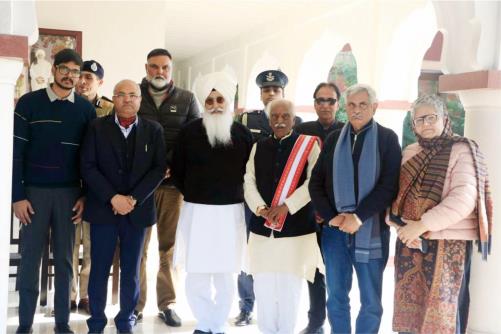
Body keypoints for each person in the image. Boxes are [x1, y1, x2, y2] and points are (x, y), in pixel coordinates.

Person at [389, 94, 493, 334]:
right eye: (419, 119)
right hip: (410, 242)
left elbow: (463, 199)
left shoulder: (462, 150)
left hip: (447, 244)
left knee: (442, 314)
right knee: (409, 311)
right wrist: (401, 228)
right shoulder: (410, 151)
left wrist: (421, 225)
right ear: (412, 125)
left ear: (445, 118)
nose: (425, 124)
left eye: (431, 118)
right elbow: (397, 196)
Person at [12, 48, 96, 334]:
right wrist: (17, 196)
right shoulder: (28, 103)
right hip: (33, 195)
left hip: (70, 195)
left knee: (65, 261)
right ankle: (24, 324)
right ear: (53, 70)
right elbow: (15, 154)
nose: (70, 76)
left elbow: (89, 158)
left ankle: (62, 323)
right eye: (65, 69)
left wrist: (85, 195)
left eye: (76, 72)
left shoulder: (85, 109)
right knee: (30, 259)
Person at [309, 84, 401, 334]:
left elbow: (388, 186)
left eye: (363, 105)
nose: (357, 110)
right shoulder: (333, 139)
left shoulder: (387, 139)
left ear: (374, 107)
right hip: (335, 232)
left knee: (371, 301)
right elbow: (315, 183)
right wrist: (332, 218)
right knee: (336, 297)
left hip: (371, 230)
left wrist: (358, 217)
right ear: (345, 107)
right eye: (351, 104)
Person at [81, 79, 166, 334]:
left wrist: (132, 199)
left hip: (137, 213)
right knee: (99, 267)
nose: (127, 99)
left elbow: (158, 168)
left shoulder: (154, 130)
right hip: (103, 210)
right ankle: (96, 321)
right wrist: (112, 198)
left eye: (133, 95)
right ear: (113, 99)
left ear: (140, 100)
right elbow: (87, 166)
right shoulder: (96, 127)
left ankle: (126, 320)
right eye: (121, 95)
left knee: (131, 269)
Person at [171, 71, 253, 334]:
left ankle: (216, 325)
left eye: (220, 99)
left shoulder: (242, 134)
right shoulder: (189, 132)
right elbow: (178, 172)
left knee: (224, 273)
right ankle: (204, 323)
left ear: (228, 102)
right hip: (197, 211)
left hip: (231, 214)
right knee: (196, 274)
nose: (216, 105)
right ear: (203, 103)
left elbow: (250, 174)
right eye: (210, 100)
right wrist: (197, 194)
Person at [244, 98, 323, 334]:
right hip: (262, 230)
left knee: (290, 290)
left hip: (296, 230)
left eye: (285, 116)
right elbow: (248, 180)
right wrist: (260, 208)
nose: (279, 121)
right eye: (275, 117)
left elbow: (314, 181)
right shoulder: (259, 146)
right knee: (264, 288)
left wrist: (287, 206)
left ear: (293, 118)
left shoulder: (308, 145)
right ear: (269, 120)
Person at [135, 48, 200, 326]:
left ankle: (168, 304)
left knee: (168, 248)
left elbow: (196, 137)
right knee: (138, 247)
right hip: (139, 188)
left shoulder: (187, 99)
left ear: (170, 69)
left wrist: (170, 164)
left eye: (164, 67)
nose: (159, 72)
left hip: (173, 187)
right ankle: (134, 304)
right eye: (154, 67)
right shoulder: (133, 95)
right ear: (146, 68)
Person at [234, 69, 301, 327]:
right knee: (249, 254)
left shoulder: (298, 121)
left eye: (275, 90)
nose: (270, 93)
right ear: (260, 93)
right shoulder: (246, 119)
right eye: (266, 90)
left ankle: (277, 308)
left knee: (281, 257)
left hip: (286, 204)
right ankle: (246, 306)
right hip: (254, 202)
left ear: (283, 92)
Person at [294, 82, 344, 334]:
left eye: (331, 100)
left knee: (336, 273)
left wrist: (331, 211)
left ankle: (339, 324)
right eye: (320, 100)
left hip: (336, 215)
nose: (325, 105)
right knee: (313, 271)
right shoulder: (301, 131)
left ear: (338, 103)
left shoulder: (347, 131)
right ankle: (315, 323)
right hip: (306, 212)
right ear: (314, 103)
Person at [70, 60, 113, 315]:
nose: (83, 82)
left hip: (97, 188)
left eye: (89, 77)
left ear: (100, 83)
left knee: (93, 246)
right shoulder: (67, 104)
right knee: (69, 244)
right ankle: (68, 295)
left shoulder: (108, 109)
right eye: (81, 76)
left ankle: (86, 295)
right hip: (69, 184)